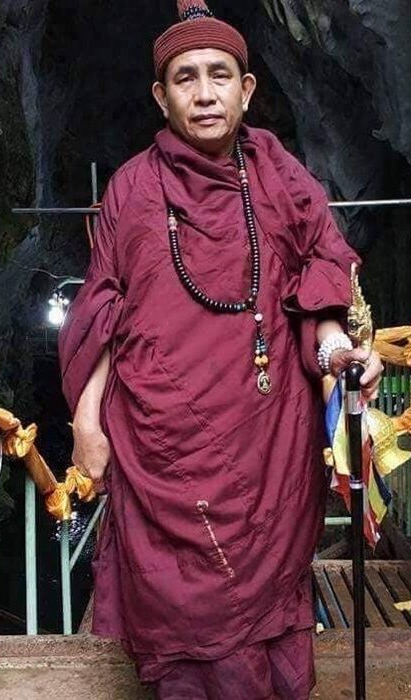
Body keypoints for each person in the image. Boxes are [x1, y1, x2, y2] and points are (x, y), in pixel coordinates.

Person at [58, 1, 383, 697]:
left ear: (247, 89)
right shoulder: (131, 189)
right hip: (162, 443)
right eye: (185, 78)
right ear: (161, 96)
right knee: (183, 612)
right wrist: (87, 421)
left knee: (267, 610)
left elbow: (321, 276)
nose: (204, 93)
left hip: (267, 435)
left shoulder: (280, 176)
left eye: (219, 75)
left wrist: (335, 353)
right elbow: (103, 309)